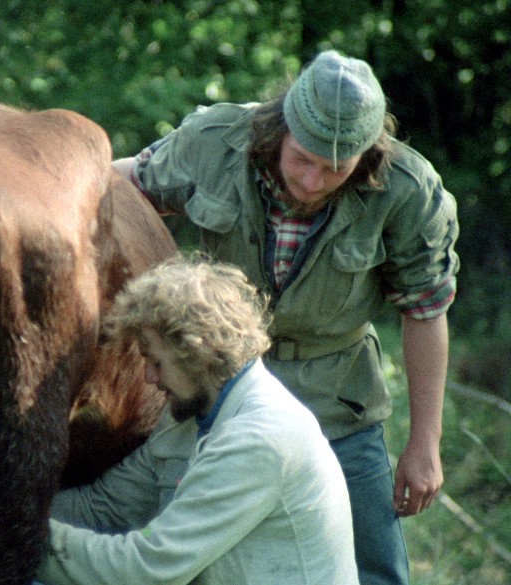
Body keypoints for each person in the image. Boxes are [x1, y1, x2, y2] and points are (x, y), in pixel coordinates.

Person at [112, 50, 460, 585]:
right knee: (179, 559)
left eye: (336, 168)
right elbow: (124, 186)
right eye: (303, 158)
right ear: (282, 128)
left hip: (337, 407)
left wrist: (425, 442)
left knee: (374, 571)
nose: (314, 180)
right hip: (215, 395)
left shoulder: (407, 192)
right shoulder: (216, 142)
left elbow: (426, 312)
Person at [35, 255, 359, 585]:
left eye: (156, 362)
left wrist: (18, 536)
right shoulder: (189, 418)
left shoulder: (258, 439)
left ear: (197, 353)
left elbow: (149, 569)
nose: (148, 377)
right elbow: (104, 507)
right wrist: (11, 511)